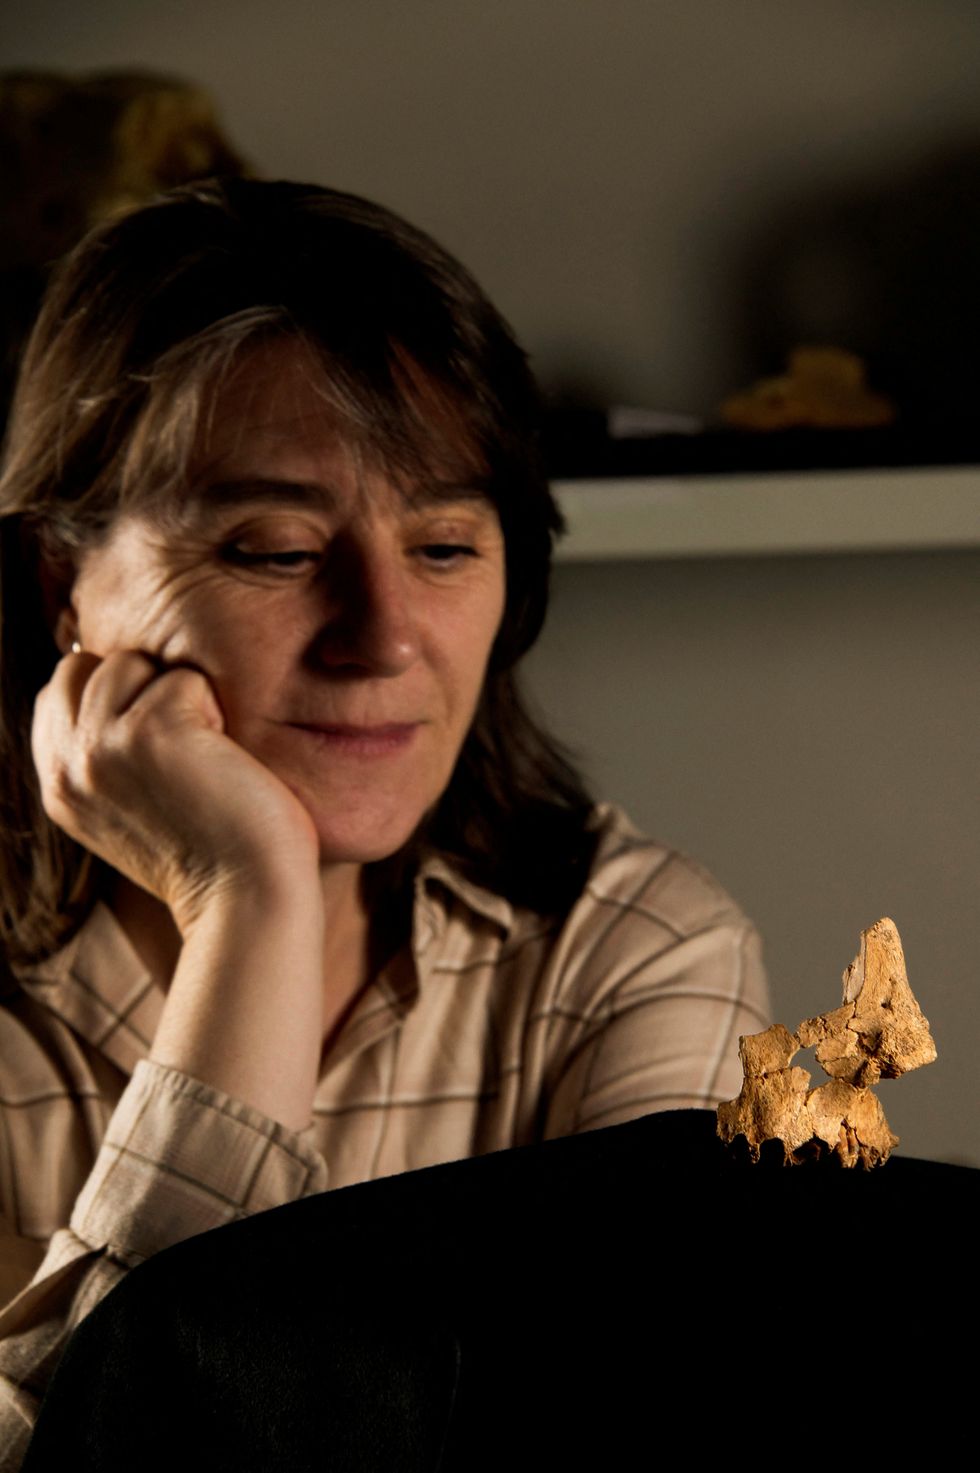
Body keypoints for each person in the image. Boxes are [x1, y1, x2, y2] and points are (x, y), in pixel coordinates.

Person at [0, 177, 768, 1462]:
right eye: (274, 549)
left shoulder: (633, 949)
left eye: (446, 547)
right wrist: (249, 904)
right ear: (64, 585)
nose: (385, 636)